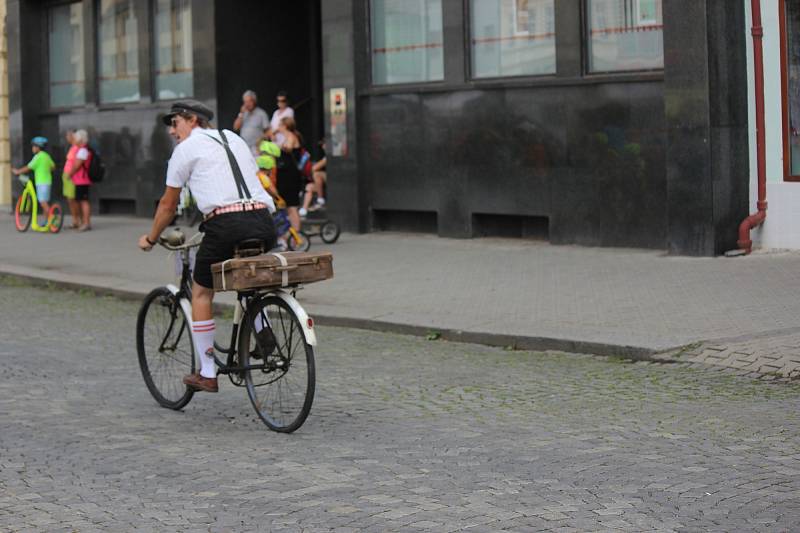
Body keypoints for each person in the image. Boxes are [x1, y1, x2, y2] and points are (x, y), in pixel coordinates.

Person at [138, 100, 276, 393]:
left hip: (225, 223)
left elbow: (168, 204)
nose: (173, 132)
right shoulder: (234, 138)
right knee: (248, 277)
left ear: (191, 120)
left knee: (202, 291)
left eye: (174, 123)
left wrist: (150, 238)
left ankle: (208, 371)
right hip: (264, 220)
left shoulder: (185, 150)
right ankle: (263, 328)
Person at [12, 136, 55, 215]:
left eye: (34, 146)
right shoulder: (46, 156)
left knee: (42, 202)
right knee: (45, 202)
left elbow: (29, 167)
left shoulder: (38, 157)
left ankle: (53, 220)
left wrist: (18, 171)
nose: (32, 148)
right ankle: (47, 223)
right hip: (48, 181)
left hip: (41, 182)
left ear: (38, 147)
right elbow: (53, 167)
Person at [275, 116, 304, 232]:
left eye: (280, 125)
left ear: (285, 126)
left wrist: (279, 146)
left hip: (291, 176)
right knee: (288, 206)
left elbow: (289, 148)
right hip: (285, 176)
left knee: (292, 206)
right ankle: (292, 234)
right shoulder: (286, 137)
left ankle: (296, 234)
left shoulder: (291, 136)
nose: (278, 127)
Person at [63, 129, 92, 231]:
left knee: (84, 201)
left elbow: (77, 165)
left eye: (76, 138)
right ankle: (83, 222)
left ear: (80, 140)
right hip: (79, 180)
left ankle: (86, 223)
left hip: (82, 180)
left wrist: (69, 174)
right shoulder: (81, 149)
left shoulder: (83, 150)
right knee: (80, 200)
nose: (74, 140)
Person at [232, 90, 270, 155]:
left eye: (249, 101)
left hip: (257, 148)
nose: (247, 104)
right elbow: (235, 128)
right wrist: (241, 113)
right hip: (244, 147)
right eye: (245, 102)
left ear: (254, 101)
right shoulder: (243, 114)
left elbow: (268, 131)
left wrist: (261, 140)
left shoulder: (261, 113)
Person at [299, 138, 327, 217]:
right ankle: (304, 209)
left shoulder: (328, 156)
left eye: (324, 144)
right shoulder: (322, 155)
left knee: (316, 174)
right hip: (323, 185)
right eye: (322, 145)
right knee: (309, 187)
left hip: (333, 180)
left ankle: (320, 199)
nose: (323, 146)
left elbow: (314, 168)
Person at [61, 130, 82, 228]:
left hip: (71, 176)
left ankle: (78, 221)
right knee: (70, 200)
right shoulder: (73, 147)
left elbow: (77, 164)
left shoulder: (77, 148)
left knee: (73, 199)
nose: (67, 137)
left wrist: (70, 174)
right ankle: (75, 220)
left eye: (68, 135)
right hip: (67, 175)